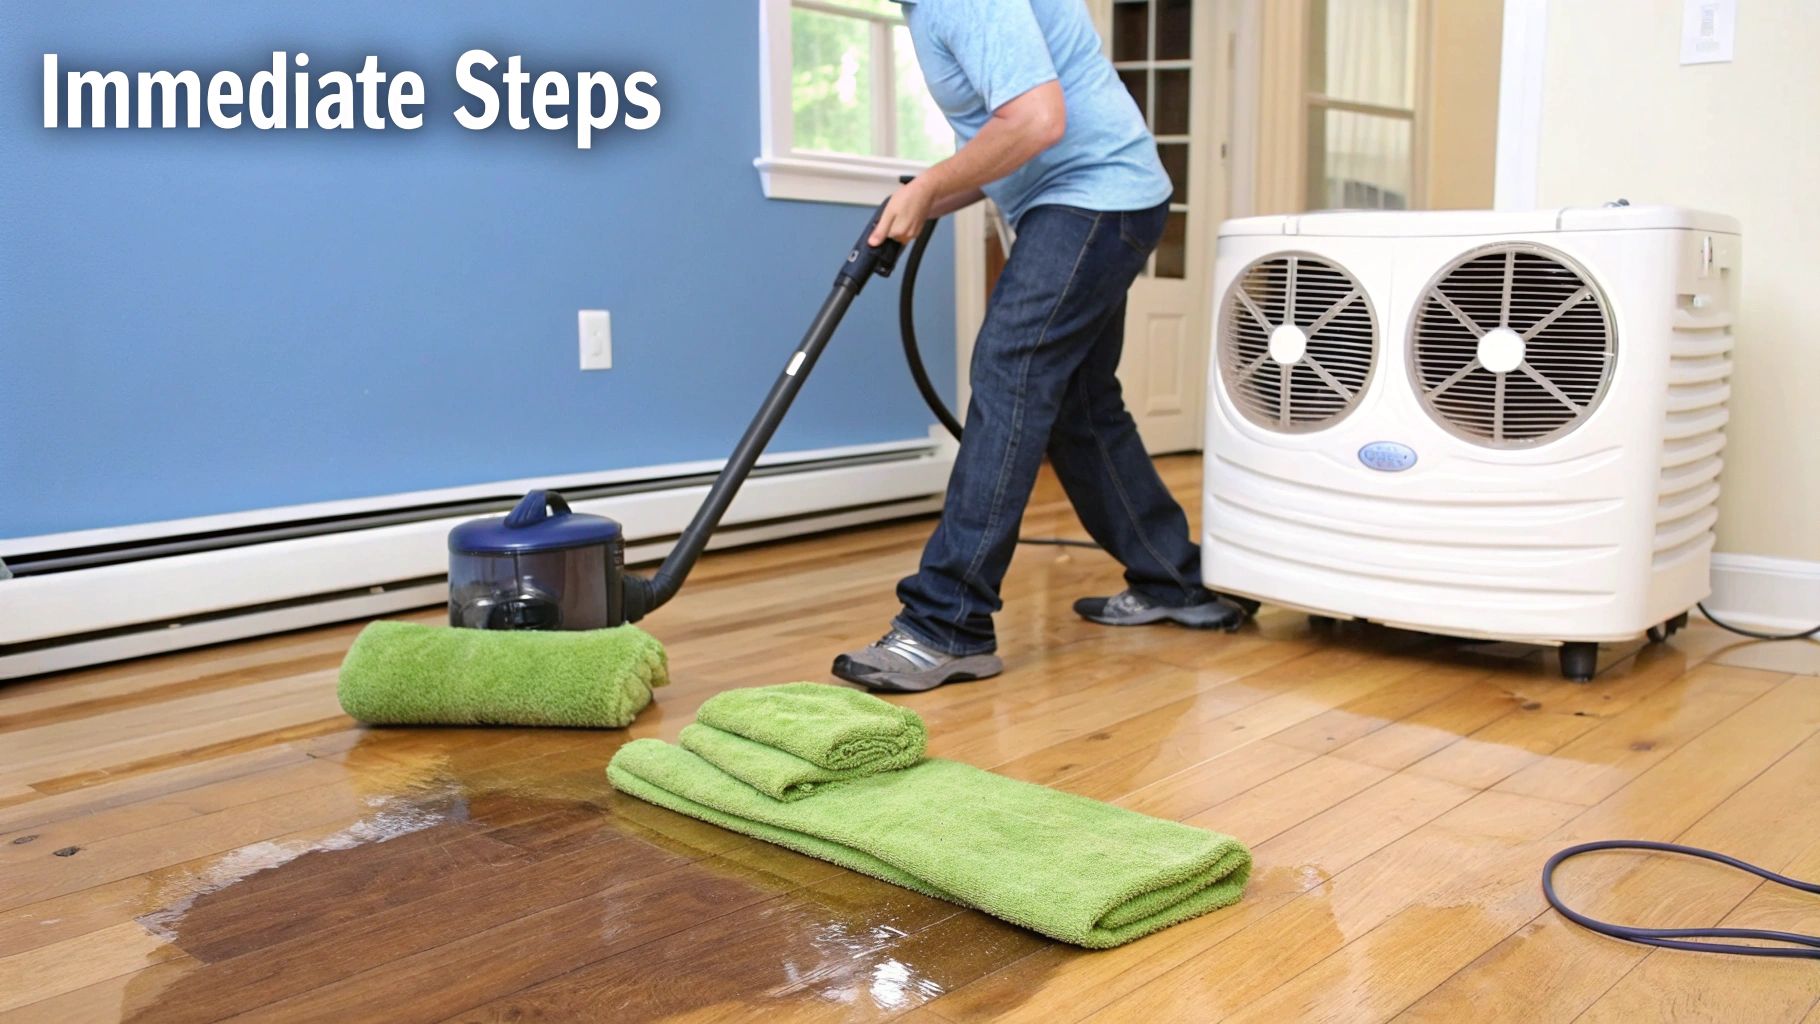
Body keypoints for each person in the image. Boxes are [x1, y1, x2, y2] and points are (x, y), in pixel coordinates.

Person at [832, 0, 1244, 694]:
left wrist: (933, 182)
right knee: (1081, 407)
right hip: (1100, 198)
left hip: (1093, 195)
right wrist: (929, 197)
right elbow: (1012, 135)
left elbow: (1037, 120)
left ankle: (946, 622)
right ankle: (1173, 577)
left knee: (1010, 369)